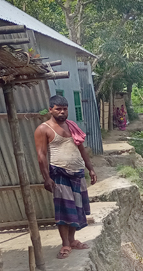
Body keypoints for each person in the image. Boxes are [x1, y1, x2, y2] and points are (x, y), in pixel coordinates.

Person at [35, 95, 97, 259]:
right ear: (50, 110)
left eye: (65, 109)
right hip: (60, 173)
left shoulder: (72, 126)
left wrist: (90, 169)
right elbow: (41, 156)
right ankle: (65, 244)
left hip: (77, 173)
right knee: (64, 211)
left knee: (76, 209)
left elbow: (81, 149)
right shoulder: (44, 129)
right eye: (58, 109)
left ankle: (72, 240)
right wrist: (46, 178)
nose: (62, 112)